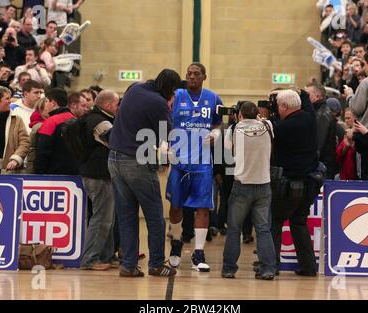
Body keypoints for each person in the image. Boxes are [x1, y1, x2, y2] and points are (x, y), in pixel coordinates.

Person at [108, 69, 181, 277]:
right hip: (136, 160)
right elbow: (167, 135)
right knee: (155, 216)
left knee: (127, 215)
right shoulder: (159, 103)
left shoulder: (135, 88)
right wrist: (169, 108)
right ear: (170, 89)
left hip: (114, 158)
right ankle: (157, 263)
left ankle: (128, 265)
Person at [166, 63, 222, 272]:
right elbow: (163, 119)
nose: (191, 77)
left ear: (204, 77)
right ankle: (177, 242)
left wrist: (216, 134)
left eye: (196, 74)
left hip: (203, 163)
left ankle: (199, 252)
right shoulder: (176, 95)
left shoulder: (213, 98)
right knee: (175, 206)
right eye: (188, 74)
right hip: (179, 162)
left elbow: (217, 123)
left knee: (203, 207)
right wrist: (165, 143)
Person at [221, 101, 276, 280]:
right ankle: (268, 269)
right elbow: (263, 121)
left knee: (234, 229)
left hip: (242, 185)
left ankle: (229, 269)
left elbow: (227, 153)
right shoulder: (268, 126)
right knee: (263, 229)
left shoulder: (234, 129)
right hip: (263, 184)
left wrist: (234, 122)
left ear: (239, 115)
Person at [270, 89, 320, 277]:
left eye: (279, 106)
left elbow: (270, 132)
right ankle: (308, 267)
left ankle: (271, 264)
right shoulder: (310, 119)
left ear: (284, 107)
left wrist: (266, 116)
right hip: (309, 183)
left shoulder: (283, 127)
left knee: (274, 222)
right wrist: (301, 92)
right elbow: (306, 103)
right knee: (298, 223)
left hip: (289, 184)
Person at [79, 90, 119, 271]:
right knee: (101, 218)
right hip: (98, 175)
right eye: (117, 105)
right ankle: (90, 259)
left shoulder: (94, 117)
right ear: (108, 106)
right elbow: (116, 141)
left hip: (98, 174)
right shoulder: (99, 121)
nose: (119, 109)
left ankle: (106, 256)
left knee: (107, 218)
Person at [34, 88, 79, 175]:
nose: (45, 104)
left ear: (53, 103)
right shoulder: (76, 120)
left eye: (46, 101)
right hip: (74, 174)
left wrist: (39, 173)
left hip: (53, 176)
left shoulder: (51, 122)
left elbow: (42, 151)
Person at [305, 83, 337, 179]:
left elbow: (318, 143)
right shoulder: (315, 111)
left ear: (317, 96)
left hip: (321, 167)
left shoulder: (322, 115)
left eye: (307, 94)